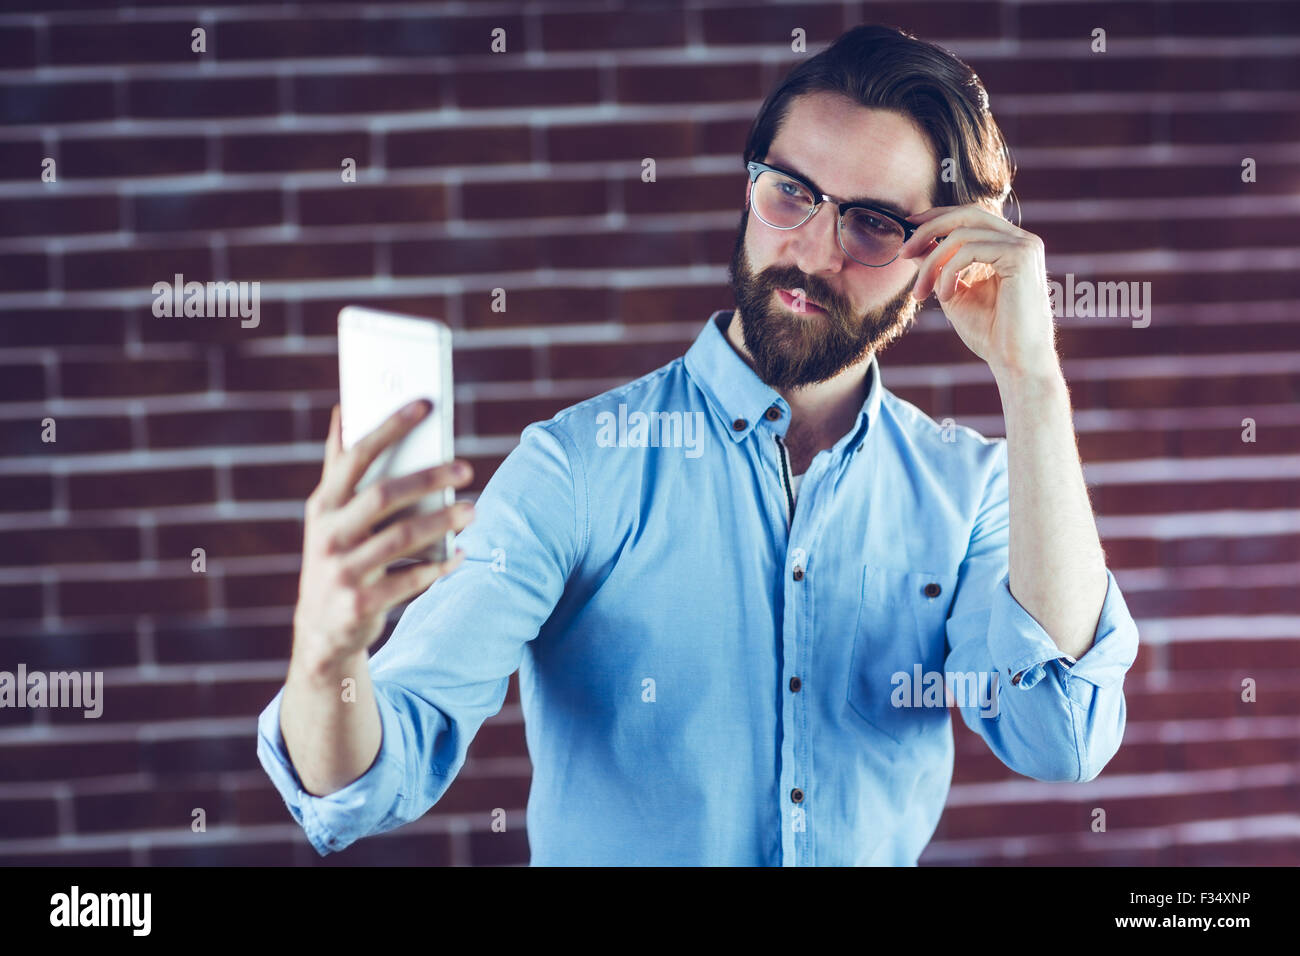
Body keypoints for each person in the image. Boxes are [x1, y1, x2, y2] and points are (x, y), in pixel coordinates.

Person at [257, 23, 1139, 865]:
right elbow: (366, 781)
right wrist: (327, 652)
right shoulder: (577, 470)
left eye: (872, 222)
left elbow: (1059, 735)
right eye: (789, 191)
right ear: (750, 187)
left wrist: (1032, 380)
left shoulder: (973, 490)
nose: (811, 249)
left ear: (941, 259)